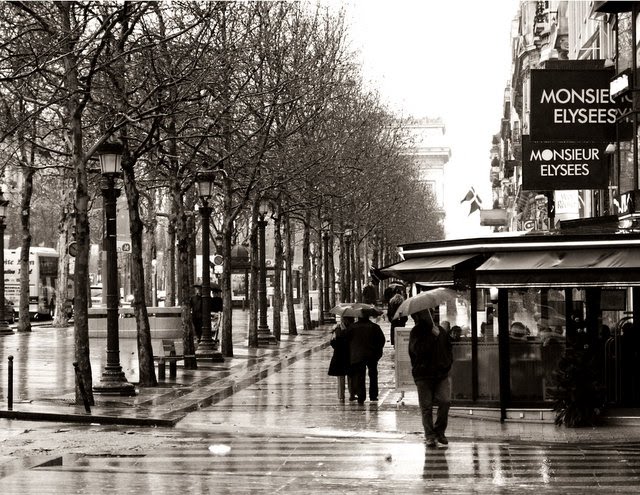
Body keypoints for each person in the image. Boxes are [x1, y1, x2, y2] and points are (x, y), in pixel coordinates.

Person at [408, 308, 453, 448]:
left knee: (445, 401)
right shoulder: (416, 332)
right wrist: (432, 337)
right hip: (423, 375)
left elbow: (448, 349)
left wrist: (447, 365)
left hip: (440, 373)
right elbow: (417, 351)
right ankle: (430, 435)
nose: (431, 315)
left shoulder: (440, 331)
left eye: (432, 313)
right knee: (426, 406)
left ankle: (439, 431)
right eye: (427, 313)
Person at [347, 312, 386, 404]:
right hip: (372, 354)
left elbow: (346, 340)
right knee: (373, 375)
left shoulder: (352, 327)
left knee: (360, 376)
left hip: (358, 355)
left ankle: (361, 396)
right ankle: (373, 395)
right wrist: (377, 352)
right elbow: (381, 340)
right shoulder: (374, 327)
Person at [328, 315, 356, 400]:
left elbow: (332, 342)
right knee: (349, 376)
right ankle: (349, 395)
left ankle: (343, 395)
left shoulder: (337, 329)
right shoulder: (350, 329)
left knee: (343, 377)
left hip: (340, 355)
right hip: (347, 355)